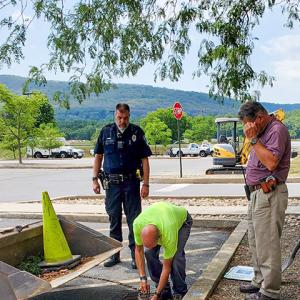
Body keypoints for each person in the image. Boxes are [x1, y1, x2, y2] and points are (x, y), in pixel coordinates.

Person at [238, 102, 291, 300]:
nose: (247, 129)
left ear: (259, 118)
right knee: (255, 241)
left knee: (267, 244)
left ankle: (269, 292)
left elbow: (270, 163)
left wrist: (252, 140)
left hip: (269, 193)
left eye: (249, 124)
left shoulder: (276, 130)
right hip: (256, 194)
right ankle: (259, 280)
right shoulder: (261, 131)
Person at [92, 103, 152, 269]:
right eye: (119, 117)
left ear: (129, 116)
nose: (122, 121)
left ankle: (135, 256)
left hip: (131, 183)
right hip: (112, 185)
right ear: (114, 116)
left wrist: (146, 184)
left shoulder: (136, 132)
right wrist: (94, 179)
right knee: (114, 219)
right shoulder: (105, 132)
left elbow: (145, 160)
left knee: (135, 221)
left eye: (125, 118)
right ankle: (114, 255)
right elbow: (98, 157)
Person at [133, 202, 193, 300]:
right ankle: (164, 288)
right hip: (161, 216)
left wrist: (156, 295)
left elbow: (166, 267)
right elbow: (138, 251)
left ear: (159, 238)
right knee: (149, 253)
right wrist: (143, 279)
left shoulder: (168, 233)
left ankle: (180, 290)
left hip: (183, 221)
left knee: (176, 257)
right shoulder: (137, 224)